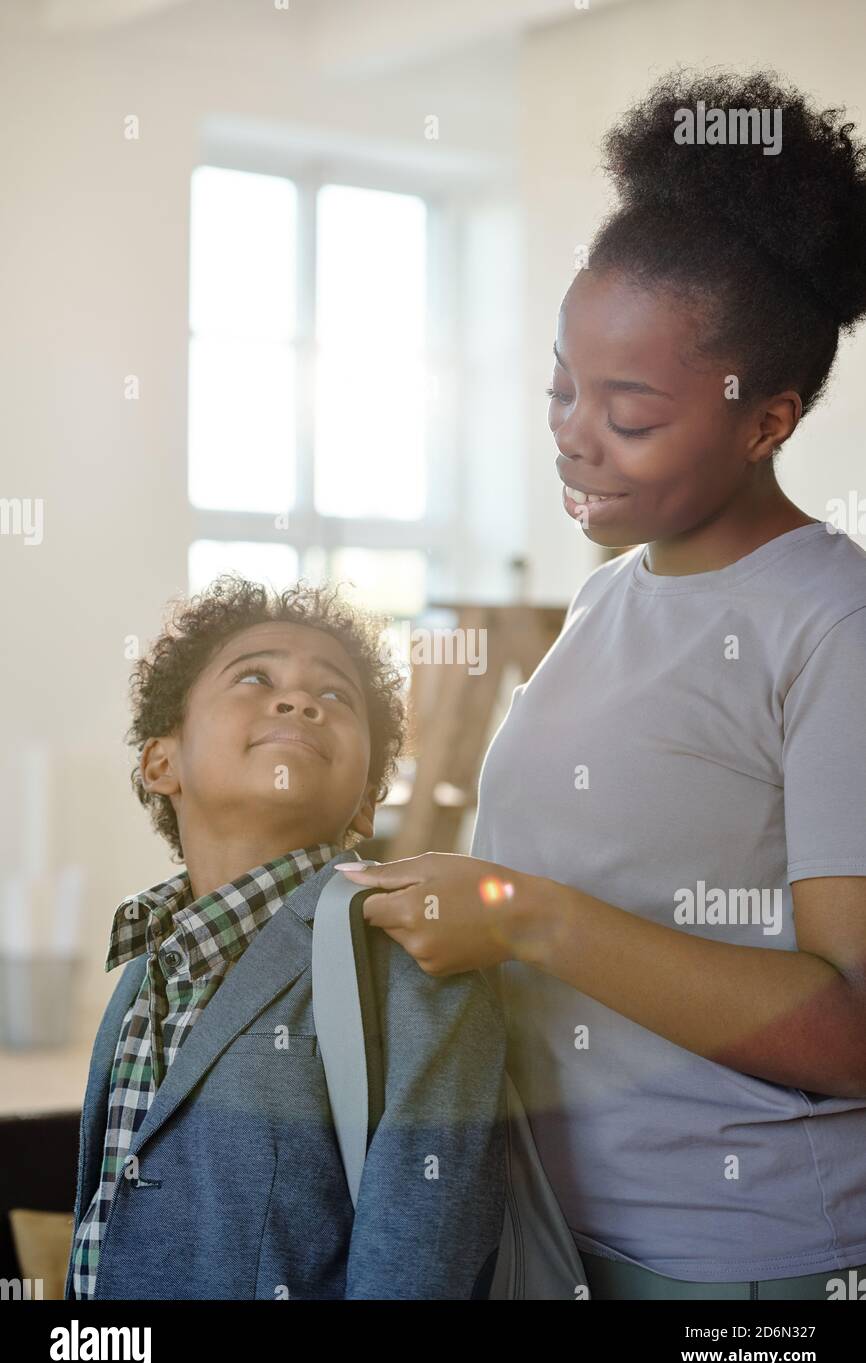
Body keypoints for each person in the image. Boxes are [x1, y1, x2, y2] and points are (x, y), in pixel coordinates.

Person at [334, 67, 866, 1300]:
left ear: (762, 419)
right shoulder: (606, 599)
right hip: (555, 1238)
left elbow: (853, 1032)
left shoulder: (830, 627)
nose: (575, 434)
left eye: (628, 411)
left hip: (743, 1270)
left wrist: (525, 911)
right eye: (562, 386)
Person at [64, 574, 505, 1300]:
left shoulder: (417, 963)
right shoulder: (140, 966)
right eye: (255, 677)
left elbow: (418, 1268)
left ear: (367, 800)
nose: (299, 699)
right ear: (161, 762)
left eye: (335, 695)